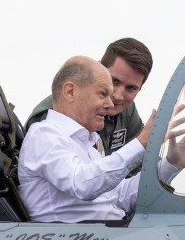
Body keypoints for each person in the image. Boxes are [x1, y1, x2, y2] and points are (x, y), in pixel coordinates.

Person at [18, 56, 185, 222]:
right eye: (103, 94)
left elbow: (120, 197)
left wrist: (171, 163)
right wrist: (141, 143)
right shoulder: (43, 135)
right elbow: (83, 185)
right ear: (70, 92)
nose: (110, 103)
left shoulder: (88, 147)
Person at [24, 38, 152, 156]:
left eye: (131, 88)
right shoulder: (53, 115)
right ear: (99, 68)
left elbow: (143, 164)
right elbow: (76, 177)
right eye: (114, 81)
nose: (117, 96)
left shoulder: (127, 112)